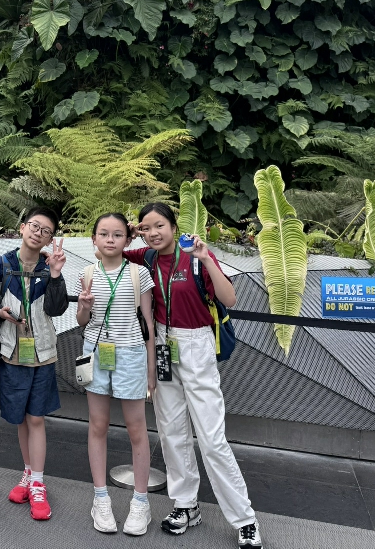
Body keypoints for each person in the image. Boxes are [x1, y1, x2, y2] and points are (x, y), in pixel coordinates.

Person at [128, 202, 262, 549]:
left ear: (174, 227)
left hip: (196, 345)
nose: (153, 233)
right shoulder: (146, 257)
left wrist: (206, 258)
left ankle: (245, 519)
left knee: (212, 439)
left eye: (159, 225)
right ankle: (186, 504)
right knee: (172, 433)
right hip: (162, 345)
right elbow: (106, 249)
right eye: (146, 228)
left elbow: (230, 298)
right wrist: (129, 233)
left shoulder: (195, 256)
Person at [0, 207, 69, 521]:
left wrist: (55, 274)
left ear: (50, 238)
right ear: (22, 227)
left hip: (42, 354)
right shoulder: (1, 264)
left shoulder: (49, 266)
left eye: (46, 230)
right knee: (20, 419)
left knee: (36, 419)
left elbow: (57, 309)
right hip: (12, 351)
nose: (38, 232)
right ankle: (28, 473)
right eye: (34, 225)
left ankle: (38, 483)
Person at [72, 212, 156, 536]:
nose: (110, 239)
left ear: (127, 239)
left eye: (117, 234)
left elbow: (147, 324)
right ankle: (101, 498)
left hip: (131, 354)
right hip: (95, 352)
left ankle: (141, 502)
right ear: (93, 238)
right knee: (98, 425)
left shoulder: (139, 273)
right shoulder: (87, 273)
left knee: (137, 429)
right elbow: (82, 321)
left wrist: (150, 369)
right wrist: (83, 305)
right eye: (104, 233)